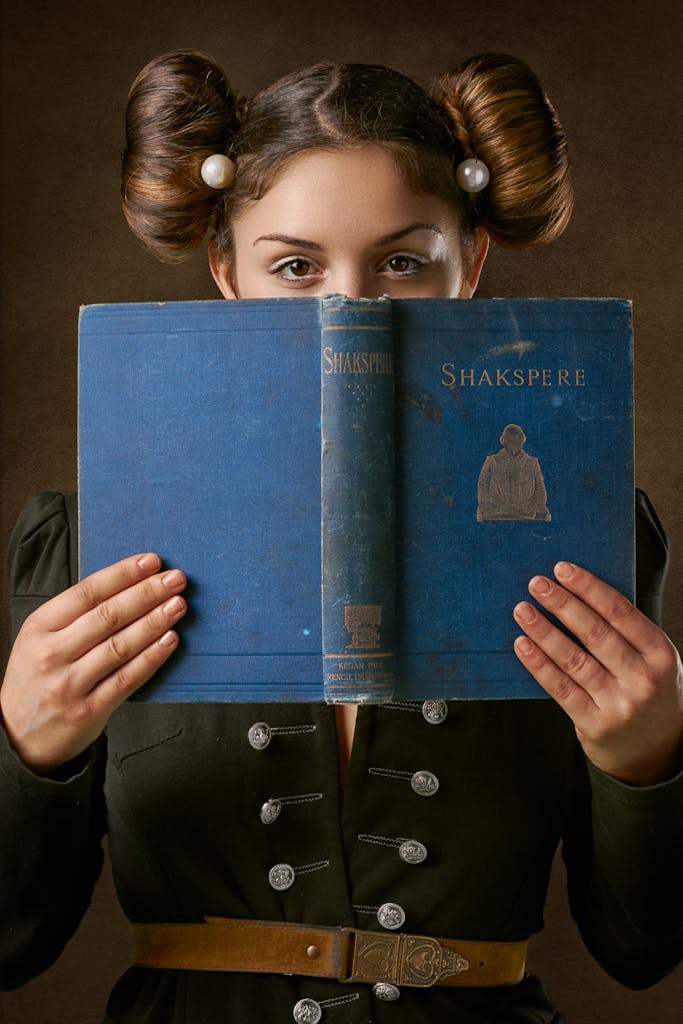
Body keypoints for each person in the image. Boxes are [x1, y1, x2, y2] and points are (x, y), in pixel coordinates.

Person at [0, 49, 681, 1024]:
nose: (347, 307)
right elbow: (11, 947)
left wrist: (648, 761)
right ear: (225, 270)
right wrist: (27, 752)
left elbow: (639, 951)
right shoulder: (87, 545)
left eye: (401, 261)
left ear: (470, 266)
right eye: (294, 265)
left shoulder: (589, 533)